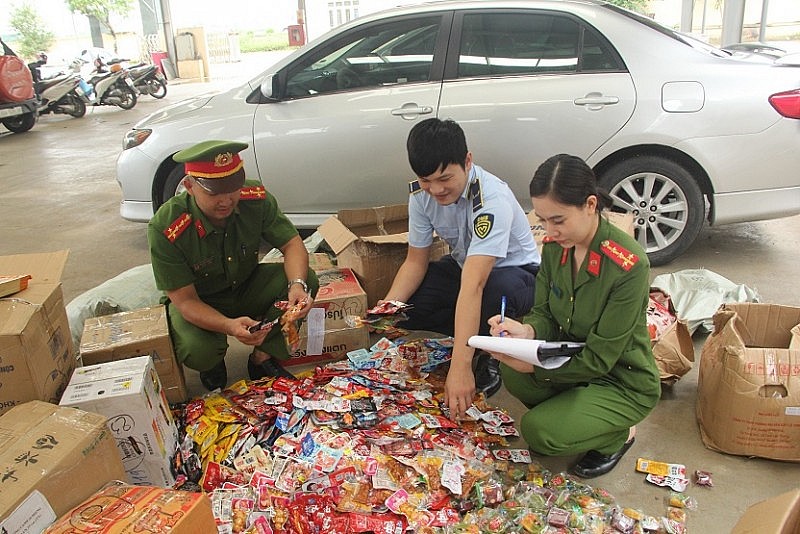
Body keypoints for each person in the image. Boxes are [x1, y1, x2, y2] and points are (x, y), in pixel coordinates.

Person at [486, 153, 661, 478]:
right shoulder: (555, 248)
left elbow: (600, 358)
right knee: (513, 376)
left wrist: (536, 367)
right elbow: (545, 314)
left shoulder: (628, 264)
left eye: (559, 220)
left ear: (590, 205)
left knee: (540, 433)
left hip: (619, 379)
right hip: (573, 363)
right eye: (543, 221)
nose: (549, 231)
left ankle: (617, 435)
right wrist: (525, 331)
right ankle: (579, 415)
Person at [382, 118, 541, 418]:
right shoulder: (420, 195)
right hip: (465, 266)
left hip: (516, 275)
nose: (436, 189)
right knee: (409, 306)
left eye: (445, 178)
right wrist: (387, 312)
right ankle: (469, 332)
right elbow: (415, 261)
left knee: (490, 295)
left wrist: (460, 366)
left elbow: (475, 285)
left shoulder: (490, 198)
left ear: (467, 161)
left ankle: (489, 353)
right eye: (427, 180)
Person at [147, 140, 319, 391]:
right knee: (200, 350)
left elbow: (292, 244)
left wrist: (297, 285)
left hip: (246, 285)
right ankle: (212, 364)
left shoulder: (255, 198)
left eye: (233, 189)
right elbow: (185, 301)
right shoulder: (167, 227)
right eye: (214, 193)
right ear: (189, 187)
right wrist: (229, 326)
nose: (226, 200)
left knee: (307, 280)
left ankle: (263, 356)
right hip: (201, 301)